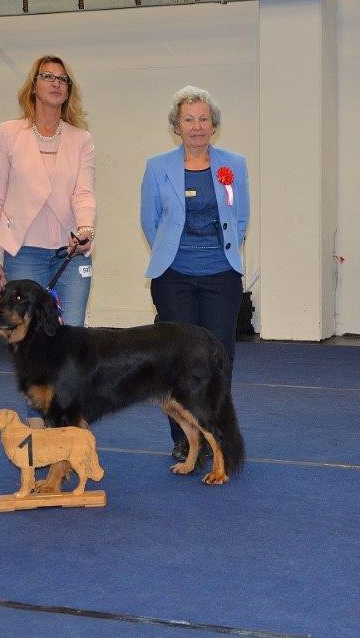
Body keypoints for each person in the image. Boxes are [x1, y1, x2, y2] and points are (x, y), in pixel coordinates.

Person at [140, 85, 250, 462]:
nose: (197, 126)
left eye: (204, 119)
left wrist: (221, 250)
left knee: (219, 358)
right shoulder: (157, 167)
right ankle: (184, 438)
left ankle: (218, 434)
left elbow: (240, 218)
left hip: (222, 275)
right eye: (189, 119)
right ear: (177, 126)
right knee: (176, 359)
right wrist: (172, 253)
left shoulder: (235, 165)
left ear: (213, 125)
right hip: (174, 277)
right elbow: (150, 221)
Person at [0, 54, 96, 326]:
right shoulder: (7, 133)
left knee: (72, 335)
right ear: (33, 86)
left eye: (63, 80)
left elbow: (84, 193)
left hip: (70, 255)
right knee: (30, 338)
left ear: (68, 90)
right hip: (24, 254)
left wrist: (85, 230)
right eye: (47, 77)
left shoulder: (81, 139)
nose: (56, 83)